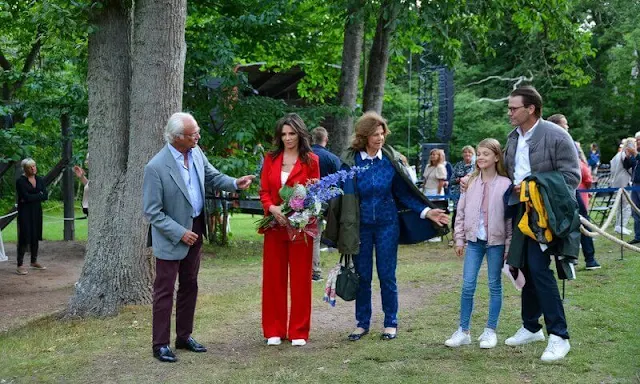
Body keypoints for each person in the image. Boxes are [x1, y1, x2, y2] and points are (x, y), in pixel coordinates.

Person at [325, 111, 449, 342]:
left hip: (387, 225)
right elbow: (340, 195)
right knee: (362, 276)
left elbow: (404, 193)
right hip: (359, 227)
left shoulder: (390, 160)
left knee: (387, 275)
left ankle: (390, 322)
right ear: (364, 136)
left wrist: (427, 211)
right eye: (374, 134)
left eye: (382, 133)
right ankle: (362, 324)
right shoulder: (352, 161)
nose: (380, 138)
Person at [143, 112, 254, 363]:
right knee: (164, 290)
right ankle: (160, 344)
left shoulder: (196, 152)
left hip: (196, 227)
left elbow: (213, 177)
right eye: (193, 134)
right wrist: (180, 233)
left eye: (198, 132)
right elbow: (152, 212)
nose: (198, 136)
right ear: (176, 137)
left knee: (190, 285)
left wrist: (235, 182)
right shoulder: (156, 167)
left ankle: (184, 337)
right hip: (172, 234)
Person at [502, 86, 580, 362]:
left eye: (514, 108)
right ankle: (531, 326)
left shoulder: (557, 135)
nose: (509, 112)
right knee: (522, 266)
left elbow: (572, 177)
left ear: (531, 108)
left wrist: (534, 186)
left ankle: (559, 335)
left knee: (538, 268)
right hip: (519, 210)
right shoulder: (513, 137)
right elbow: (506, 171)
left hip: (546, 214)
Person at [259, 113, 320, 347]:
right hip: (274, 226)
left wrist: (299, 212)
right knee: (273, 279)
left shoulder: (311, 160)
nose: (287, 138)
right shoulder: (271, 158)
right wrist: (273, 208)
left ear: (300, 134)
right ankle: (273, 329)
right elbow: (264, 190)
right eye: (284, 134)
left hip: (300, 228)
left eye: (292, 133)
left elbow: (315, 193)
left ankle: (298, 331)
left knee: (301, 280)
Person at [445, 138, 512, 349]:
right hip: (474, 242)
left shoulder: (505, 184)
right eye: (479, 153)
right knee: (467, 285)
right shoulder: (470, 183)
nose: (481, 157)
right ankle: (463, 330)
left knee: (494, 285)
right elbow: (461, 213)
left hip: (496, 243)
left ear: (497, 157)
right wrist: (459, 239)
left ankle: (490, 331)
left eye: (486, 154)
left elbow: (510, 220)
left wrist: (508, 247)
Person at [547, 114, 600, 269]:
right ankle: (569, 260)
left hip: (571, 188)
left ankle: (588, 258)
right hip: (560, 190)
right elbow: (578, 167)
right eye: (565, 124)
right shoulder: (557, 143)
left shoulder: (568, 142)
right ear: (557, 126)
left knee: (582, 222)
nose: (568, 127)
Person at [310, 126, 341, 282]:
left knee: (313, 235)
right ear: (326, 139)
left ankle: (314, 270)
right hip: (330, 202)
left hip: (308, 201)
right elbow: (341, 181)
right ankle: (345, 266)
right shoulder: (332, 158)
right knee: (337, 230)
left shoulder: (304, 156)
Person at [15, 158, 48, 275]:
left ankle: (34, 261)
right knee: (24, 236)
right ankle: (20, 264)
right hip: (25, 212)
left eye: (34, 166)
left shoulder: (39, 179)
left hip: (36, 211)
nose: (33, 168)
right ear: (25, 169)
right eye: (30, 167)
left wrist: (32, 196)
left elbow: (45, 196)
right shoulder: (20, 181)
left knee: (35, 235)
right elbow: (25, 197)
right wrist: (37, 195)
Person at [610, 137, 635, 235]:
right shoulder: (625, 155)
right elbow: (629, 169)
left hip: (616, 181)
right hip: (623, 182)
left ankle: (618, 225)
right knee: (627, 205)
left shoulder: (617, 155)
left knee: (620, 206)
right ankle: (622, 226)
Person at [449, 146, 476, 235]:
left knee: (470, 214)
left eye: (469, 152)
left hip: (472, 194)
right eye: (465, 152)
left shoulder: (476, 165)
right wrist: (460, 180)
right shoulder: (458, 165)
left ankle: (469, 234)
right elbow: (451, 180)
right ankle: (455, 234)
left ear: (473, 154)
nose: (467, 154)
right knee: (457, 213)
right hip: (458, 194)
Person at [622, 131, 640, 245]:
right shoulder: (636, 153)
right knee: (635, 211)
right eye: (636, 140)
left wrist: (636, 154)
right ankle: (638, 236)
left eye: (639, 140)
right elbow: (628, 166)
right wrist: (628, 157)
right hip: (635, 184)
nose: (637, 142)